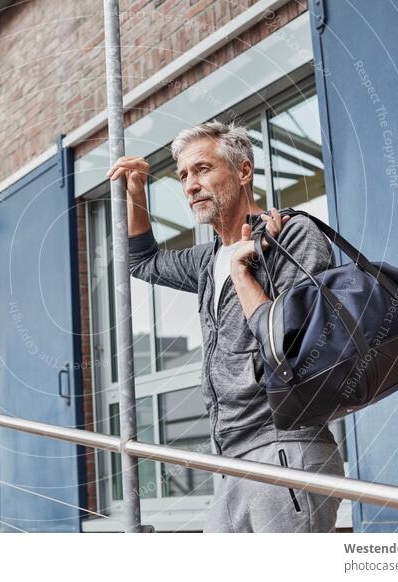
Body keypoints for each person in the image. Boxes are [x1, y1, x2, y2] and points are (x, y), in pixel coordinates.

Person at [106, 120, 345, 533]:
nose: (190, 184)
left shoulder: (290, 236)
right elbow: (141, 262)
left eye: (202, 169)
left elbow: (292, 342)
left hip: (284, 446)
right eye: (183, 176)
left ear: (243, 172)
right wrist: (137, 193)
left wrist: (243, 273)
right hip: (231, 457)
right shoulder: (206, 260)